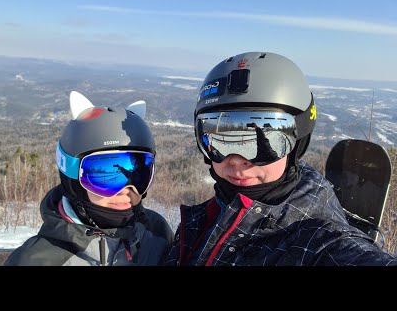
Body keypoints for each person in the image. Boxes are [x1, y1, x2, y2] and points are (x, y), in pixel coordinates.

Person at [165, 51, 397, 266]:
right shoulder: (202, 219)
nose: (236, 160)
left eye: (266, 140)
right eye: (217, 138)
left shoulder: (315, 240)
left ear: (298, 142)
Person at [4, 91, 173, 266]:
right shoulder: (34, 261)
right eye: (104, 178)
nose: (125, 190)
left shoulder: (156, 233)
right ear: (73, 181)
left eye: (139, 176)